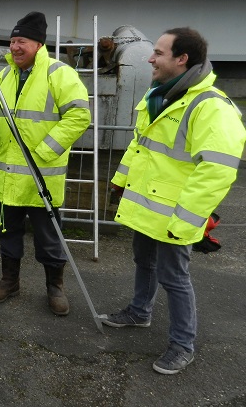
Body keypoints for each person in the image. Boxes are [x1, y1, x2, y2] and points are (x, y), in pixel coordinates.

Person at [100, 27, 246, 374]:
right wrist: (121, 182)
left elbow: (217, 171)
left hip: (175, 215)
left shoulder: (211, 106)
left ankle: (183, 345)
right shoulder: (160, 96)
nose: (150, 57)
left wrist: (186, 220)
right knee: (144, 261)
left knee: (174, 277)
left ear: (182, 59)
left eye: (159, 53)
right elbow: (141, 147)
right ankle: (139, 312)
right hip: (149, 207)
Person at [0, 11, 91, 315]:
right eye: (12, 41)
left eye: (21, 40)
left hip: (41, 178)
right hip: (7, 177)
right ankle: (10, 281)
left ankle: (55, 287)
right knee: (7, 234)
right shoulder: (5, 75)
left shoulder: (59, 73)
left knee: (49, 239)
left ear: (38, 44)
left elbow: (79, 116)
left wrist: (43, 152)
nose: (14, 47)